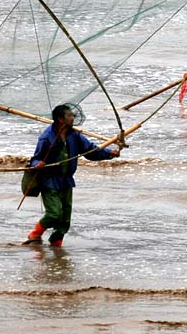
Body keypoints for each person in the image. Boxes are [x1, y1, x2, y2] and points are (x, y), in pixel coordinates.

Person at [24, 103, 120, 247]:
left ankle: (56, 244)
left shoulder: (74, 135)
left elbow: (91, 152)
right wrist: (37, 164)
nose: (73, 117)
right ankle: (35, 234)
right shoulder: (47, 137)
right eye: (69, 115)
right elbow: (35, 158)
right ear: (60, 119)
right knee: (54, 213)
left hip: (67, 181)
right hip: (50, 180)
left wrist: (109, 154)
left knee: (65, 218)